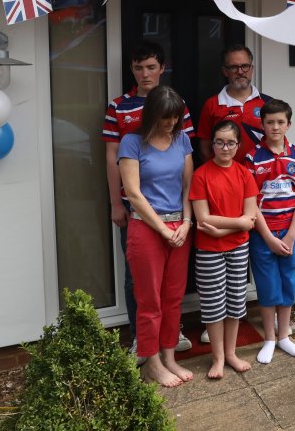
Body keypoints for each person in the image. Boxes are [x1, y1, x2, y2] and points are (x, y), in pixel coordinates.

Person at [103, 41, 194, 357]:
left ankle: (169, 336)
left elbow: (184, 164)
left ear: (161, 68)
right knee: (138, 280)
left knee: (170, 287)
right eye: (139, 67)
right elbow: (112, 155)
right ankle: (142, 341)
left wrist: (189, 218)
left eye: (151, 67)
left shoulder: (177, 108)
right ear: (132, 69)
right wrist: (117, 201)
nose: (145, 73)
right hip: (139, 211)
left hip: (175, 213)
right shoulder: (119, 108)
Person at [118, 85, 195, 388]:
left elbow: (189, 187)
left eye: (175, 118)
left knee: (174, 297)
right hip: (147, 228)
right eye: (165, 118)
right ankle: (151, 362)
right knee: (148, 299)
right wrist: (164, 230)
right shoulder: (132, 142)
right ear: (151, 114)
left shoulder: (183, 140)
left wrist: (187, 223)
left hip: (180, 228)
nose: (171, 124)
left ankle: (169, 356)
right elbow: (134, 194)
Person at [190, 120, 258, 379]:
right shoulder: (201, 175)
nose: (225, 147)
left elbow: (250, 217)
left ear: (238, 145)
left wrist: (223, 229)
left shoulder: (244, 174)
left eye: (230, 142)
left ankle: (231, 353)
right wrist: (237, 224)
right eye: (219, 142)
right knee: (213, 305)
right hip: (209, 250)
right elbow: (203, 218)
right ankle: (217, 358)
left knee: (234, 302)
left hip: (238, 248)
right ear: (212, 144)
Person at [246, 98, 295, 364]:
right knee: (267, 283)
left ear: (289, 124)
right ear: (262, 125)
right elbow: (250, 203)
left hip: (292, 232)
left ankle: (284, 336)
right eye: (270, 122)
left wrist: (291, 234)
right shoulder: (252, 157)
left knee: (288, 280)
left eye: (280, 122)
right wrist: (268, 237)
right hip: (263, 233)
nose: (275, 127)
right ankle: (269, 339)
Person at [197, 44, 271, 164]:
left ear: (251, 69)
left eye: (244, 66)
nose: (240, 72)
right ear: (225, 71)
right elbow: (205, 149)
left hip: (261, 177)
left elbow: (277, 142)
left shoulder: (268, 103)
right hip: (225, 178)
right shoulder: (212, 105)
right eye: (234, 67)